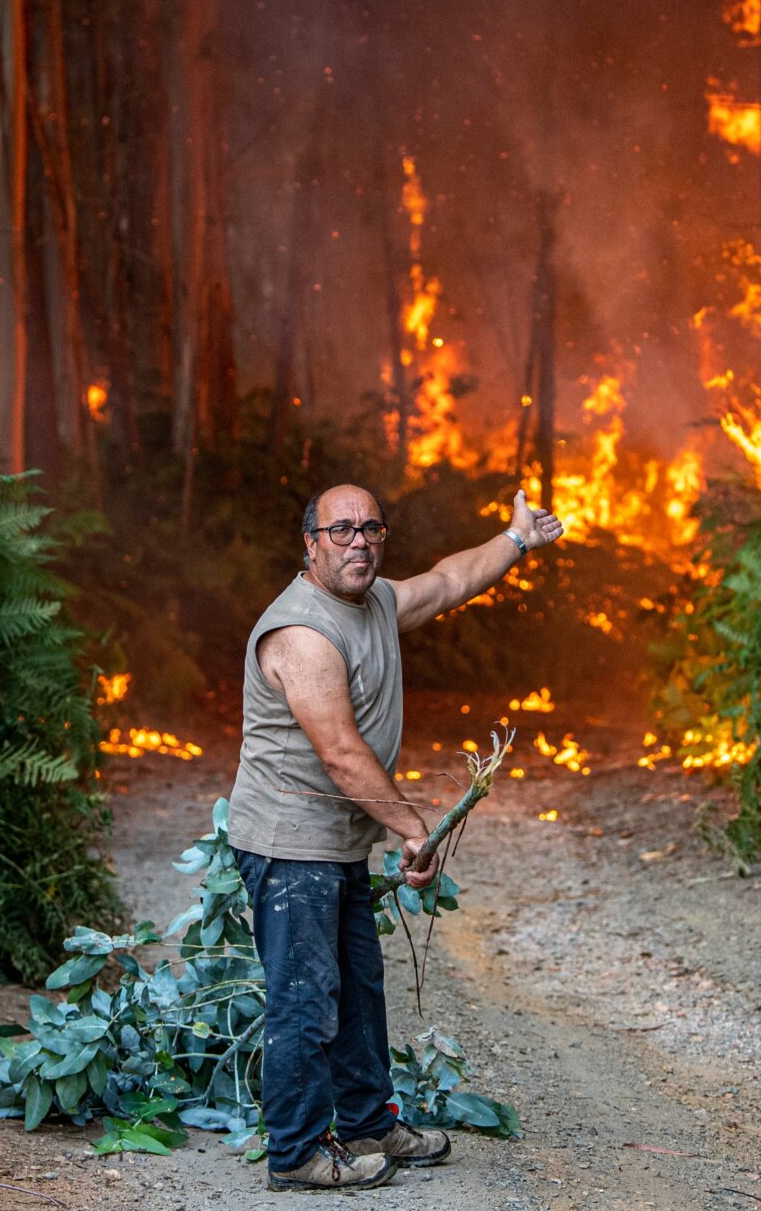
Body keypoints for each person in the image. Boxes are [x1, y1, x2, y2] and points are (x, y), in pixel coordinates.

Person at [229, 482, 565, 1192]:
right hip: (291, 847)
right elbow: (343, 753)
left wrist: (516, 540)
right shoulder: (303, 631)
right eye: (342, 529)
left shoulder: (374, 601)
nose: (360, 541)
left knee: (358, 987)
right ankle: (293, 1152)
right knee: (307, 996)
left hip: (337, 843)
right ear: (311, 543)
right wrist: (415, 827)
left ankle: (366, 1122)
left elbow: (448, 581)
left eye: (371, 528)